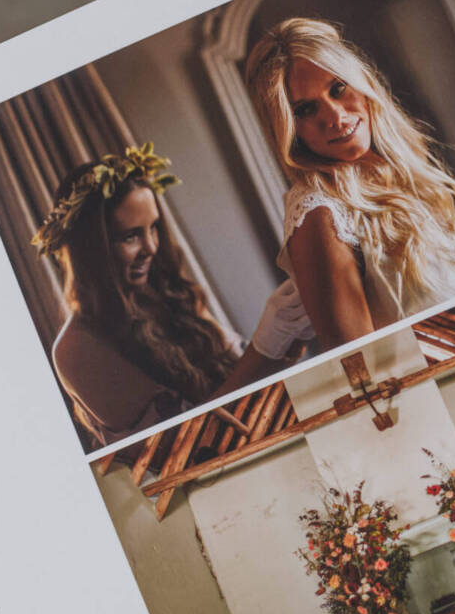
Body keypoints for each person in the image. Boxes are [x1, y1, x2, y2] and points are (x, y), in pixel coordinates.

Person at [32, 143, 313, 447]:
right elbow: (191, 444)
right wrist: (264, 346)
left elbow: (244, 373)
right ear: (89, 251)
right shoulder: (77, 348)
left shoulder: (166, 292)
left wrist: (290, 340)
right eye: (130, 236)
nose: (151, 247)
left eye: (153, 228)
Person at [244, 17, 455, 349]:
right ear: (289, 131)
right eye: (306, 110)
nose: (335, 117)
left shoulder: (398, 170)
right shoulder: (319, 212)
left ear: (361, 83)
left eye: (338, 89)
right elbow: (368, 366)